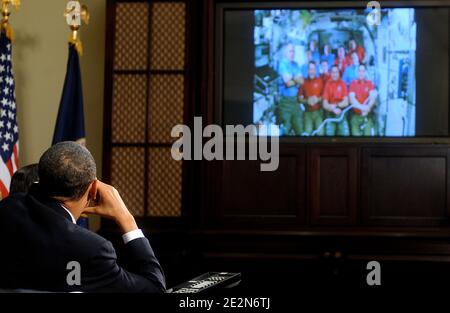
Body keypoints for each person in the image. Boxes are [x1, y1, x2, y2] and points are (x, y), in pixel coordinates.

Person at [0, 142, 166, 292]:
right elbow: (155, 289)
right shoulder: (91, 249)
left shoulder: (7, 207)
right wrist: (126, 218)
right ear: (94, 188)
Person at [277, 43, 304, 135]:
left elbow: (302, 81)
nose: (292, 53)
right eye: (290, 51)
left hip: (296, 102)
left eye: (293, 51)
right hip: (285, 103)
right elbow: (287, 83)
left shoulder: (296, 64)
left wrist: (292, 78)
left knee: (299, 129)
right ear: (286, 53)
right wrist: (295, 78)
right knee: (285, 129)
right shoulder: (282, 64)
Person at [349, 64, 378, 136]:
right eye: (359, 71)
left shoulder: (369, 83)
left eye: (363, 71)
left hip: (367, 116)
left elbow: (372, 98)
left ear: (365, 72)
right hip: (355, 116)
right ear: (357, 72)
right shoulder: (353, 83)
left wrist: (367, 108)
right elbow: (352, 99)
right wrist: (363, 108)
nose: (361, 73)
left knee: (367, 139)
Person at [322, 65, 350, 136]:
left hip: (341, 112)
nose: (334, 74)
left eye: (336, 72)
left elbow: (346, 102)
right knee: (329, 135)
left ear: (339, 73)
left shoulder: (343, 83)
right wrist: (333, 109)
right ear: (330, 73)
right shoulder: (327, 84)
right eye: (333, 72)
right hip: (330, 112)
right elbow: (324, 104)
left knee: (345, 134)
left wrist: (336, 106)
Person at [298, 61, 324, 136]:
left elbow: (325, 96)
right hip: (307, 113)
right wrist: (307, 101)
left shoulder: (320, 81)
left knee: (321, 133)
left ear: (315, 70)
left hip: (318, 112)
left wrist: (317, 99)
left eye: (313, 69)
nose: (311, 71)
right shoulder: (303, 82)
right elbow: (299, 98)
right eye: (310, 69)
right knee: (307, 133)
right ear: (308, 70)